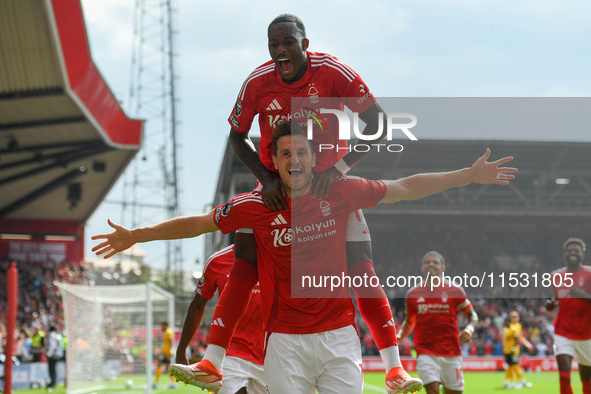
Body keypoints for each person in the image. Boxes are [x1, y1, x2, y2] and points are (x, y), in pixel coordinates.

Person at [92, 122, 517, 393]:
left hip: (338, 338)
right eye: (284, 154)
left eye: (301, 152)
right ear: (273, 162)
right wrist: (137, 235)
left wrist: (468, 175)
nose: (293, 159)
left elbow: (406, 186)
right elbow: (199, 223)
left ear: (315, 160)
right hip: (284, 345)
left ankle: (393, 366)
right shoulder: (254, 206)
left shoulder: (342, 191)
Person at [228, 13, 416, 390]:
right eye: (274, 44)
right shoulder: (256, 83)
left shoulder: (333, 73)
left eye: (288, 42)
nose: (281, 50)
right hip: (279, 193)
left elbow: (378, 124)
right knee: (244, 260)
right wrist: (265, 178)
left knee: (361, 268)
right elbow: (236, 135)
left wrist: (341, 168)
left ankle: (394, 366)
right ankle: (213, 359)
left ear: (304, 44)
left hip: (330, 195)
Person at [173, 244, 266, 394]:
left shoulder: (278, 256)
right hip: (228, 353)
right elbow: (198, 304)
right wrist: (182, 348)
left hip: (268, 355)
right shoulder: (217, 260)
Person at [396, 251, 479, 394]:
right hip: (425, 351)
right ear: (422, 268)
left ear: (443, 268)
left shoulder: (455, 290)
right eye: (427, 262)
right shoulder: (413, 294)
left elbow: (472, 315)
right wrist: (399, 335)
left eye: (435, 262)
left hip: (451, 351)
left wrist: (470, 329)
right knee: (432, 389)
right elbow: (409, 322)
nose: (431, 264)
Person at [546, 238, 591, 394]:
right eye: (570, 251)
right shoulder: (556, 276)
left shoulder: (589, 274)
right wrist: (550, 304)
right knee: (564, 376)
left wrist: (583, 295)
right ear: (565, 255)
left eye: (576, 251)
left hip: (586, 334)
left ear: (582, 254)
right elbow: (553, 298)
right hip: (563, 332)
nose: (573, 253)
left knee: (587, 379)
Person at [502, 312, 533, 389]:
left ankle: (512, 381)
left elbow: (520, 337)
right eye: (513, 317)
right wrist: (504, 347)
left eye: (516, 317)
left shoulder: (518, 326)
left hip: (515, 349)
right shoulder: (509, 327)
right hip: (509, 349)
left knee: (514, 365)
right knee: (512, 365)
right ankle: (518, 381)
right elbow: (505, 338)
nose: (514, 318)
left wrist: (527, 344)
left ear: (518, 318)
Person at [154, 322, 176, 388]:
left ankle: (156, 382)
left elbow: (171, 341)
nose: (161, 328)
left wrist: (168, 353)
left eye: (162, 326)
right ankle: (172, 383)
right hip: (165, 353)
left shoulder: (168, 332)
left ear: (165, 325)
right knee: (165, 367)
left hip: (167, 354)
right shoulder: (166, 332)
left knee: (164, 367)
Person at [45, 326, 63, 391]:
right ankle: (53, 382)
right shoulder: (58, 336)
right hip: (58, 354)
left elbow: (52, 346)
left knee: (51, 369)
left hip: (52, 355)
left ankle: (52, 382)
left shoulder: (51, 336)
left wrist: (48, 354)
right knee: (54, 369)